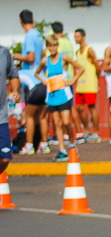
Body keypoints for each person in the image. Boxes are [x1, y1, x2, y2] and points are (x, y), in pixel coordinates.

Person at [35, 34, 83, 161]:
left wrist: (72, 80)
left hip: (64, 94)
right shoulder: (45, 60)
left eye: (54, 45)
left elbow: (81, 68)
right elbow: (37, 73)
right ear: (47, 47)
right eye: (50, 46)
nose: (52, 48)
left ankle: (72, 144)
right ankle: (62, 149)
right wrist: (45, 81)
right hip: (52, 95)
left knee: (66, 121)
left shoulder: (64, 58)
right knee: (57, 123)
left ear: (57, 46)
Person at [13, 10, 45, 153]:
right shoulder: (38, 35)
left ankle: (30, 145)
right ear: (33, 20)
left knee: (29, 116)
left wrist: (14, 55)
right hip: (42, 79)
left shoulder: (29, 36)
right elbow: (41, 55)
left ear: (21, 22)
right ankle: (43, 144)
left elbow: (31, 58)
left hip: (32, 80)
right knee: (41, 116)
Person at [72, 28, 102, 142]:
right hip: (80, 83)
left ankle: (96, 132)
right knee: (79, 107)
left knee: (92, 107)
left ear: (83, 37)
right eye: (75, 37)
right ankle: (87, 130)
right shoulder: (77, 52)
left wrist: (96, 80)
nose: (76, 39)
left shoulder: (89, 50)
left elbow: (97, 66)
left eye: (78, 36)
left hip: (90, 82)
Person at [0, 45, 20, 175]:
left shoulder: (3, 52)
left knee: (5, 158)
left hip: (1, 116)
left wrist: (15, 90)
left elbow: (13, 74)